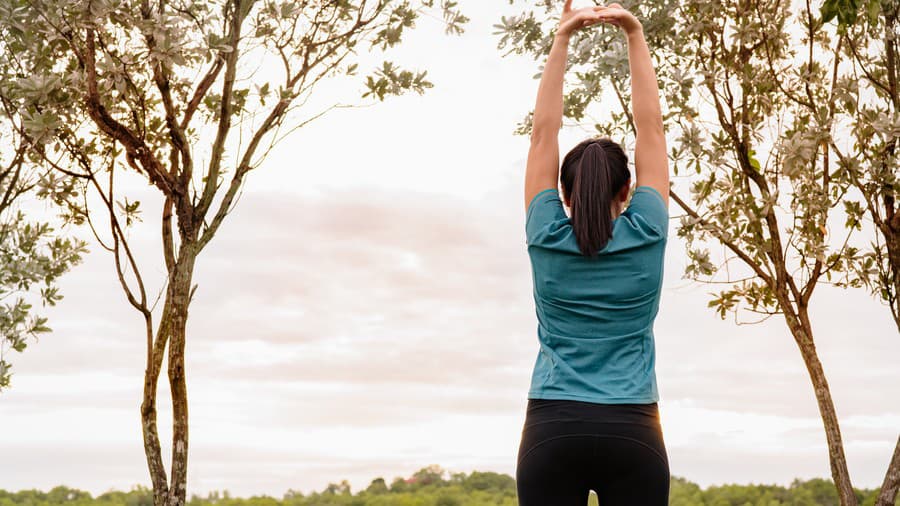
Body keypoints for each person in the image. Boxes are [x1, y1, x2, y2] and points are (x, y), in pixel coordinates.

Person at [516, 2, 670, 505]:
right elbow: (652, 130)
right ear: (627, 190)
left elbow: (544, 133)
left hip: (552, 429)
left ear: (563, 194)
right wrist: (634, 33)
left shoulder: (545, 233)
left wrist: (561, 38)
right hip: (633, 431)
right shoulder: (646, 228)